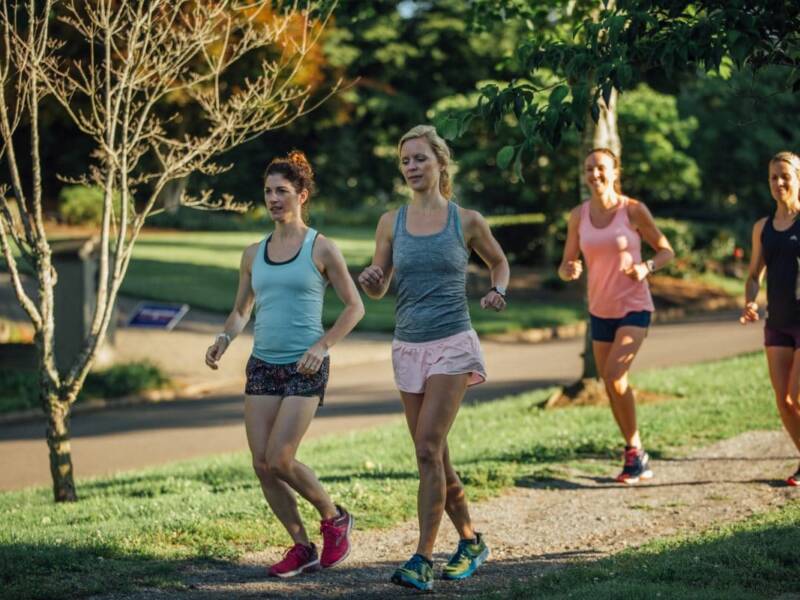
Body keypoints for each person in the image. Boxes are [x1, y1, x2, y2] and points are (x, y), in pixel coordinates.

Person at [358, 125, 510, 591]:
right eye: (405, 161)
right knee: (436, 456)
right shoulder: (391, 221)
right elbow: (383, 284)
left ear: (441, 163)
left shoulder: (466, 220)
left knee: (425, 447)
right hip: (408, 346)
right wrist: (372, 280)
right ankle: (470, 540)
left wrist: (497, 289)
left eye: (420, 158)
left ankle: (422, 557)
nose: (412, 167)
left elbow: (498, 262)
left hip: (452, 344)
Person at [205, 151, 365, 577]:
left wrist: (323, 346)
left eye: (282, 191)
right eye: (268, 191)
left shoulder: (321, 247)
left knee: (280, 457)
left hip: (304, 366)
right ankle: (301, 547)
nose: (273, 199)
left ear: (302, 195)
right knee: (261, 464)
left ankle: (334, 518)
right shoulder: (252, 252)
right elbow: (242, 310)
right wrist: (224, 339)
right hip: (262, 365)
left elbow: (355, 308)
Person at [558, 148, 674, 484]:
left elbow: (666, 250)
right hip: (600, 311)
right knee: (612, 384)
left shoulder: (633, 210)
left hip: (635, 306)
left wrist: (646, 266)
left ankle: (635, 453)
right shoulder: (578, 216)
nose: (594, 175)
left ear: (615, 171)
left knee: (613, 374)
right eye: (589, 169)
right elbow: (566, 266)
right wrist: (570, 269)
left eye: (601, 168)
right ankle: (634, 450)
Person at [740, 151, 800, 487]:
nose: (779, 183)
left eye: (785, 176)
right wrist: (750, 301)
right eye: (773, 177)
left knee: (797, 397)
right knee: (784, 401)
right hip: (777, 322)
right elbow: (753, 275)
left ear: (798, 179)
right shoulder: (762, 228)